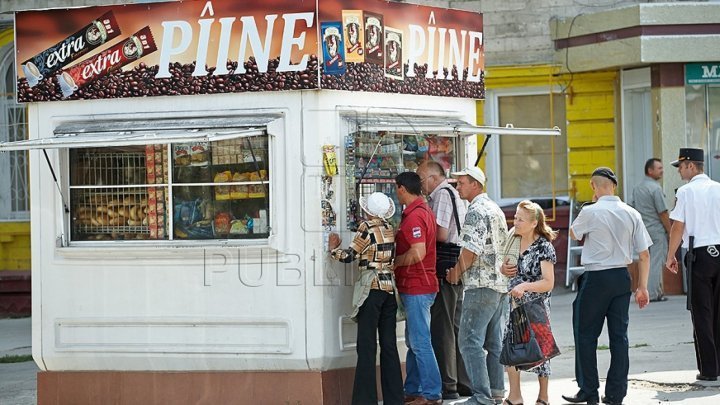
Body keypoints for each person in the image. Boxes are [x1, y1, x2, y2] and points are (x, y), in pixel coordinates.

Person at [562, 167, 652, 405]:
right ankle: (615, 394)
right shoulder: (631, 212)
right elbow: (644, 254)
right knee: (619, 337)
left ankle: (588, 390)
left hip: (597, 278)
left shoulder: (591, 211)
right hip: (622, 278)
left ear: (594, 186)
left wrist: (587, 209)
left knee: (585, 334)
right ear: (614, 185)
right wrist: (642, 286)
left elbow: (573, 234)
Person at [327, 192, 403, 405]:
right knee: (389, 345)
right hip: (389, 289)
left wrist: (333, 250)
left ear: (367, 210)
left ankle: (365, 400)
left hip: (371, 289)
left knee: (367, 346)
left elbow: (350, 255)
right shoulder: (389, 228)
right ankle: (394, 399)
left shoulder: (366, 229)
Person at [446, 166, 509, 405]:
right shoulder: (495, 208)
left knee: (469, 341)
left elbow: (471, 251)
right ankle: (495, 393)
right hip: (499, 285)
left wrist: (455, 273)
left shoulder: (475, 210)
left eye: (461, 183)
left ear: (475, 184)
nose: (458, 187)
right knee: (493, 343)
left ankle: (481, 397)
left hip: (480, 284)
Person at [417, 160, 471, 400]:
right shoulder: (453, 193)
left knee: (443, 327)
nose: (420, 185)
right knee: (456, 325)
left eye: (421, 179)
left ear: (432, 177)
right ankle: (463, 382)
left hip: (445, 264)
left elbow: (440, 233)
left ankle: (448, 385)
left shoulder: (441, 194)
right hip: (456, 261)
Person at [665, 148, 720, 382]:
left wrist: (671, 256)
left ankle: (709, 369)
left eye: (680, 166)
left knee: (701, 313)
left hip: (699, 253)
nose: (678, 171)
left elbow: (678, 226)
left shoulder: (686, 191)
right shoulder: (718, 188)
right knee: (718, 311)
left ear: (690, 165)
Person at [500, 200, 558, 405]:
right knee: (511, 347)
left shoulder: (544, 246)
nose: (515, 221)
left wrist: (524, 286)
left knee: (540, 350)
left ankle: (543, 397)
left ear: (534, 223)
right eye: (515, 217)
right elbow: (504, 264)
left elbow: (548, 283)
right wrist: (502, 269)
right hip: (514, 306)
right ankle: (515, 396)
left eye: (520, 219)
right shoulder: (512, 238)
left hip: (536, 308)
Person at [394, 171, 442, 405]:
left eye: (397, 189)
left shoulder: (414, 217)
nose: (396, 193)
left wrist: (396, 262)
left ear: (402, 188)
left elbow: (418, 251)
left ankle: (432, 394)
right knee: (414, 341)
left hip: (417, 286)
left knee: (420, 342)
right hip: (420, 285)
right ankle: (413, 389)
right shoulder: (423, 211)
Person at [631, 158, 672, 301]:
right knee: (656, 262)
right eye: (659, 168)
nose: (662, 170)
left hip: (643, 231)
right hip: (656, 231)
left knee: (646, 262)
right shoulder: (655, 188)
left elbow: (633, 209)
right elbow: (663, 212)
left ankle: (652, 290)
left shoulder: (638, 188)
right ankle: (654, 293)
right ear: (650, 170)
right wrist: (670, 231)